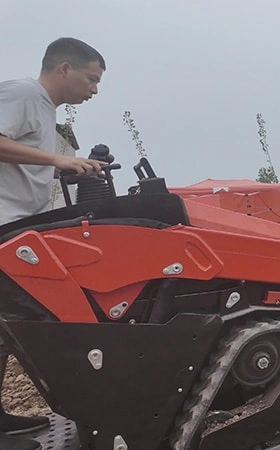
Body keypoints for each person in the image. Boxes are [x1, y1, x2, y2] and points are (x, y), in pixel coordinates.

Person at [0, 37, 107, 450]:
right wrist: (59, 160)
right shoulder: (24, 92)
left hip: (17, 226)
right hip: (4, 227)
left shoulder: (46, 112)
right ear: (64, 68)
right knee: (31, 318)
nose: (94, 89)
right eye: (91, 79)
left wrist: (67, 173)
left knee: (7, 328)